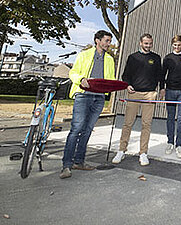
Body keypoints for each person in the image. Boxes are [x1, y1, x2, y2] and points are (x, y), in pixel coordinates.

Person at [60, 30, 115, 179]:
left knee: (88, 130)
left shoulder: (109, 59)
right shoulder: (84, 55)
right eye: (106, 41)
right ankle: (66, 165)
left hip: (99, 98)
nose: (109, 44)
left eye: (109, 41)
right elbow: (73, 72)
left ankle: (79, 161)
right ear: (97, 40)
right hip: (83, 95)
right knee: (76, 128)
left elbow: (110, 79)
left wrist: (115, 86)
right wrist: (81, 78)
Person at [112, 33, 163, 166]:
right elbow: (125, 75)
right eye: (146, 43)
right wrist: (127, 85)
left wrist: (160, 89)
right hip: (134, 94)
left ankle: (143, 153)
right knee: (128, 123)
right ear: (140, 43)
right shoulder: (133, 57)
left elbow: (160, 76)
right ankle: (121, 150)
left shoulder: (156, 58)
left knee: (146, 124)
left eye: (150, 43)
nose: (148, 46)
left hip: (149, 94)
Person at [160, 35, 181, 159]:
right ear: (172, 45)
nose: (177, 47)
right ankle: (170, 142)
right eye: (175, 45)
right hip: (170, 91)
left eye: (179, 45)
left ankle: (179, 144)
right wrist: (162, 88)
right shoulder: (168, 58)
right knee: (170, 117)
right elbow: (162, 74)